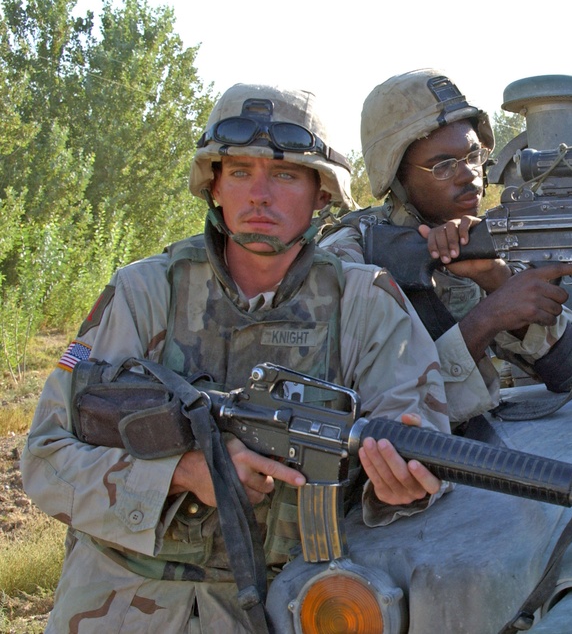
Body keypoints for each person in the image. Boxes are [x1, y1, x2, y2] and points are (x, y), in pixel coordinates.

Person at [21, 83, 450, 633]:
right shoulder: (145, 293)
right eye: (240, 172)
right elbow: (46, 458)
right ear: (215, 186)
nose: (260, 195)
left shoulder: (365, 301)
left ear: (322, 193)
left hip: (290, 598)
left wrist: (396, 488)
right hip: (122, 598)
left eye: (286, 174)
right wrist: (188, 473)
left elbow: (420, 443)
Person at [320, 69, 572, 425]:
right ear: (396, 176)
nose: (470, 176)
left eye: (474, 156)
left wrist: (496, 278)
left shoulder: (483, 238)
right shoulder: (350, 259)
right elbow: (375, 416)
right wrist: (489, 317)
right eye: (443, 166)